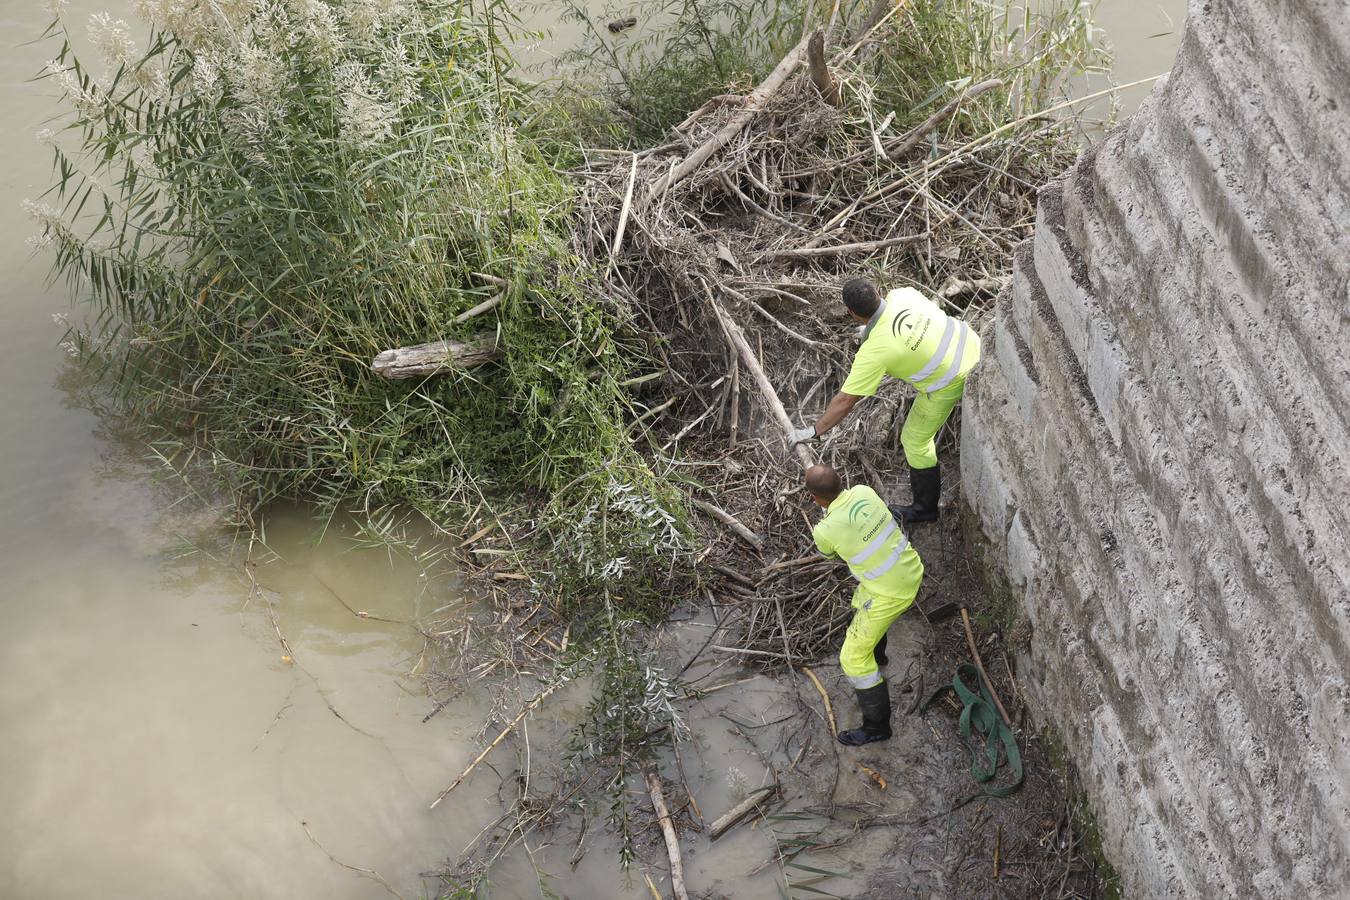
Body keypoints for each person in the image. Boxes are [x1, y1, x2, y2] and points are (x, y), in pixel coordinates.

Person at [790, 278, 981, 524]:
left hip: (952, 380)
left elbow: (846, 400)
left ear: (851, 312)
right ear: (878, 292)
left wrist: (813, 431)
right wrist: (869, 330)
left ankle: (925, 510)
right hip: (974, 344)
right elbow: (901, 326)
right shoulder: (904, 294)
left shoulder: (874, 352)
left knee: (914, 440)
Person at [806, 464, 924, 746]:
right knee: (861, 603)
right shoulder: (864, 491)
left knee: (852, 659)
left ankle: (877, 727)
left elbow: (828, 553)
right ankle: (879, 657)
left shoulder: (824, 530)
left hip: (891, 592)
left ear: (815, 499)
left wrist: (828, 513)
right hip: (911, 568)